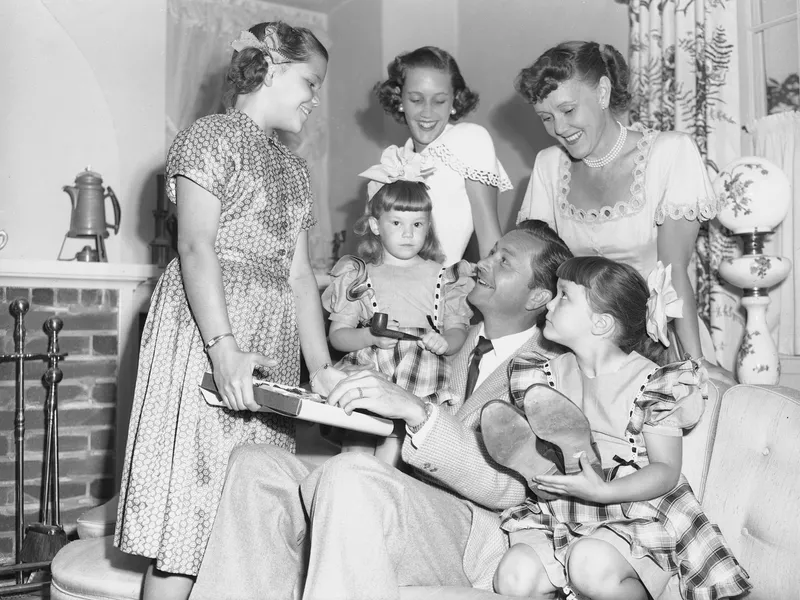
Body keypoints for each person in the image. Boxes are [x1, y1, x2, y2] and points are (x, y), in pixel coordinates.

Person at [190, 221, 574, 600]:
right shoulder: (445, 339)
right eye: (491, 252)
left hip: (471, 533)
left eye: (504, 261)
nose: (483, 264)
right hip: (405, 502)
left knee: (350, 474)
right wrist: (328, 400)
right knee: (256, 465)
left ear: (538, 298)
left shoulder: (551, 370)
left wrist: (416, 411)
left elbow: (513, 489)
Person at [114, 22, 343, 600]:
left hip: (271, 342)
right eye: (309, 82)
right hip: (210, 333)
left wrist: (320, 368)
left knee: (245, 520)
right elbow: (195, 245)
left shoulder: (293, 169)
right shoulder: (211, 136)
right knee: (188, 529)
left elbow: (297, 276)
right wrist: (224, 349)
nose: (315, 99)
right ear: (268, 66)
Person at [481, 256, 751, 600]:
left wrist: (604, 492)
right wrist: (547, 483)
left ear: (602, 324)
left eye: (563, 295)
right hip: (566, 511)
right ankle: (554, 469)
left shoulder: (653, 383)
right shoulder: (541, 377)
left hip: (628, 513)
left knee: (588, 562)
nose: (549, 301)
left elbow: (666, 471)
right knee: (513, 577)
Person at [514, 40, 734, 384]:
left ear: (602, 92)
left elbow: (673, 273)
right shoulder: (548, 165)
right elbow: (542, 272)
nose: (559, 128)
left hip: (658, 341)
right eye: (546, 117)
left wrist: (694, 362)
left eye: (568, 110)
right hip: (575, 348)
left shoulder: (669, 153)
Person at [322, 151, 474, 407]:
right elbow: (338, 336)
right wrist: (370, 337)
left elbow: (458, 330)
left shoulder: (445, 278)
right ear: (375, 226)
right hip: (370, 371)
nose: (408, 233)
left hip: (422, 377)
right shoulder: (357, 275)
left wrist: (445, 342)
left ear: (428, 227)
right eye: (396, 223)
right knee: (358, 438)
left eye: (417, 224)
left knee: (403, 444)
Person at [373, 46, 512, 266]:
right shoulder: (394, 159)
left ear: (454, 101)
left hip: (442, 291)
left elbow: (490, 242)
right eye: (416, 100)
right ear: (400, 99)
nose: (427, 112)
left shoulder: (469, 140)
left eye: (439, 101)